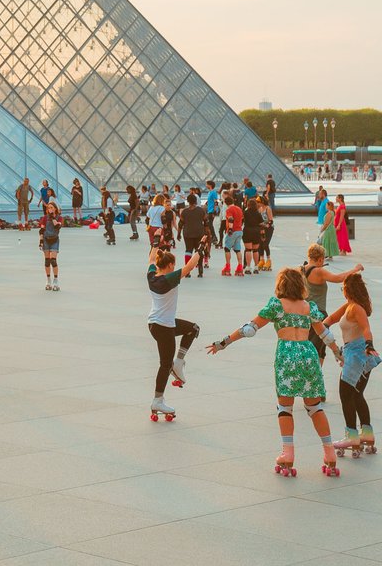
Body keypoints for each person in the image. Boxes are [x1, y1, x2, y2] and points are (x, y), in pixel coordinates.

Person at [207, 267, 342, 477]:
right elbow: (326, 335)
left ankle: (287, 454)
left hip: (287, 356)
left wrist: (223, 342)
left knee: (285, 407)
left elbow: (249, 329)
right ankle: (329, 453)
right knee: (315, 407)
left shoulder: (276, 305)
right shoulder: (310, 307)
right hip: (308, 354)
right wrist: (338, 353)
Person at [324, 273, 380, 457]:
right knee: (356, 395)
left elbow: (366, 329)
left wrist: (369, 344)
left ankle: (352, 435)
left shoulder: (357, 308)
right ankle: (367, 434)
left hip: (358, 354)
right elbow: (331, 318)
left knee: (345, 394)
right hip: (352, 353)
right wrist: (320, 328)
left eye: (343, 288)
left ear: (348, 289)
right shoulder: (349, 306)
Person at [146, 245, 201, 420]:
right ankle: (158, 399)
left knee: (193, 329)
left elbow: (151, 259)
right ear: (170, 265)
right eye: (174, 264)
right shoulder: (168, 279)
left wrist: (155, 243)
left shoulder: (152, 276)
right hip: (164, 327)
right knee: (164, 364)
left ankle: (178, 363)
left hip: (155, 323)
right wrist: (200, 247)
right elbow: (190, 266)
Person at [301, 244, 363, 365]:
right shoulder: (318, 271)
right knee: (318, 349)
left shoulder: (301, 269)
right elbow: (339, 278)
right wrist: (355, 269)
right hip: (318, 313)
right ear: (320, 259)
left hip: (304, 312)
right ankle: (316, 377)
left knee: (315, 347)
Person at [178, 193, 207, 277]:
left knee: (188, 251)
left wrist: (179, 234)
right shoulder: (201, 211)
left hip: (187, 233)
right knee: (199, 250)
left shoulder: (184, 212)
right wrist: (206, 233)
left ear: (188, 201)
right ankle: (200, 269)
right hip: (199, 233)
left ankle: (187, 271)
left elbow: (180, 224)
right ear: (196, 201)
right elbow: (206, 222)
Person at [40, 200, 62, 289]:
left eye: (51, 207)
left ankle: (55, 280)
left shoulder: (59, 218)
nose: (50, 209)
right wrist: (41, 241)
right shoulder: (44, 218)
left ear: (55, 209)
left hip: (54, 240)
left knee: (53, 260)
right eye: (48, 208)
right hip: (46, 240)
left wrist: (53, 217)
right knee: (47, 261)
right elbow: (41, 230)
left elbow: (57, 226)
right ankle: (48, 280)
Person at [221, 193, 244, 276]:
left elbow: (230, 219)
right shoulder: (239, 208)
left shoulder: (229, 210)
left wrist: (230, 229)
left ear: (225, 203)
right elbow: (242, 219)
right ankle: (240, 266)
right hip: (239, 231)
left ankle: (227, 267)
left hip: (233, 231)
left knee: (227, 248)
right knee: (238, 250)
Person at [242, 197, 262, 274]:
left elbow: (241, 221)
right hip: (256, 232)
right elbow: (261, 223)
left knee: (248, 250)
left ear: (248, 205)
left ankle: (248, 267)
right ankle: (256, 267)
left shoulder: (245, 213)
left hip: (247, 231)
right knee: (256, 250)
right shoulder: (258, 213)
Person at [257, 194, 273, 271]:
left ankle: (269, 260)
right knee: (260, 244)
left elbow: (271, 220)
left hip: (268, 228)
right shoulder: (259, 209)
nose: (257, 203)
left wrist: (267, 225)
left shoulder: (267, 208)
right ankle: (261, 260)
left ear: (262, 202)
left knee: (265, 243)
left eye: (258, 202)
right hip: (261, 228)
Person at [205, 180, 220, 247]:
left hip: (212, 211)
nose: (206, 185)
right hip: (209, 210)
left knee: (210, 224)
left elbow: (216, 202)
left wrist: (214, 211)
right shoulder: (210, 192)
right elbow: (209, 201)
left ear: (210, 185)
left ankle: (214, 238)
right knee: (208, 224)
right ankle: (212, 237)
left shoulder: (213, 192)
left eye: (207, 184)